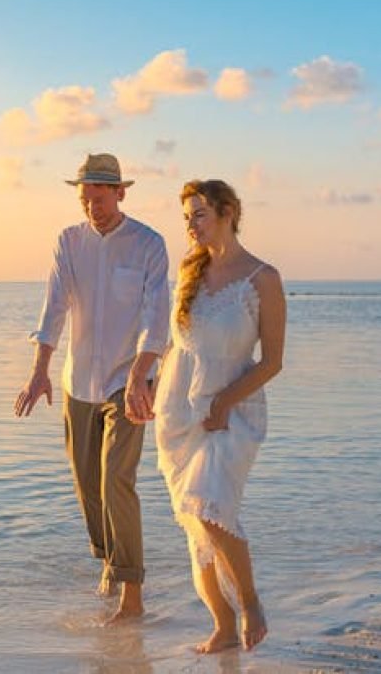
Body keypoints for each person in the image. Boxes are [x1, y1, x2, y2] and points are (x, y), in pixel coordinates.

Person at [15, 152, 170, 622]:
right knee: (88, 486)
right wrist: (40, 368)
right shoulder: (69, 241)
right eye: (85, 199)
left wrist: (144, 372)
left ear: (120, 192)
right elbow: (54, 308)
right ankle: (108, 561)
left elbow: (157, 315)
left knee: (115, 480)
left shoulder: (148, 244)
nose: (92, 208)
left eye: (99, 198)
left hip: (129, 382)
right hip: (77, 382)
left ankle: (132, 594)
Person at [151, 179, 285, 654]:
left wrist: (225, 402)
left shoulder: (262, 279)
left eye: (199, 214)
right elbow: (175, 344)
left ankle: (250, 603)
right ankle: (222, 626)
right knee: (194, 520)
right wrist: (143, 384)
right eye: (186, 216)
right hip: (178, 411)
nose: (189, 225)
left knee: (210, 507)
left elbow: (272, 361)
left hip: (232, 411)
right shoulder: (190, 271)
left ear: (228, 211)